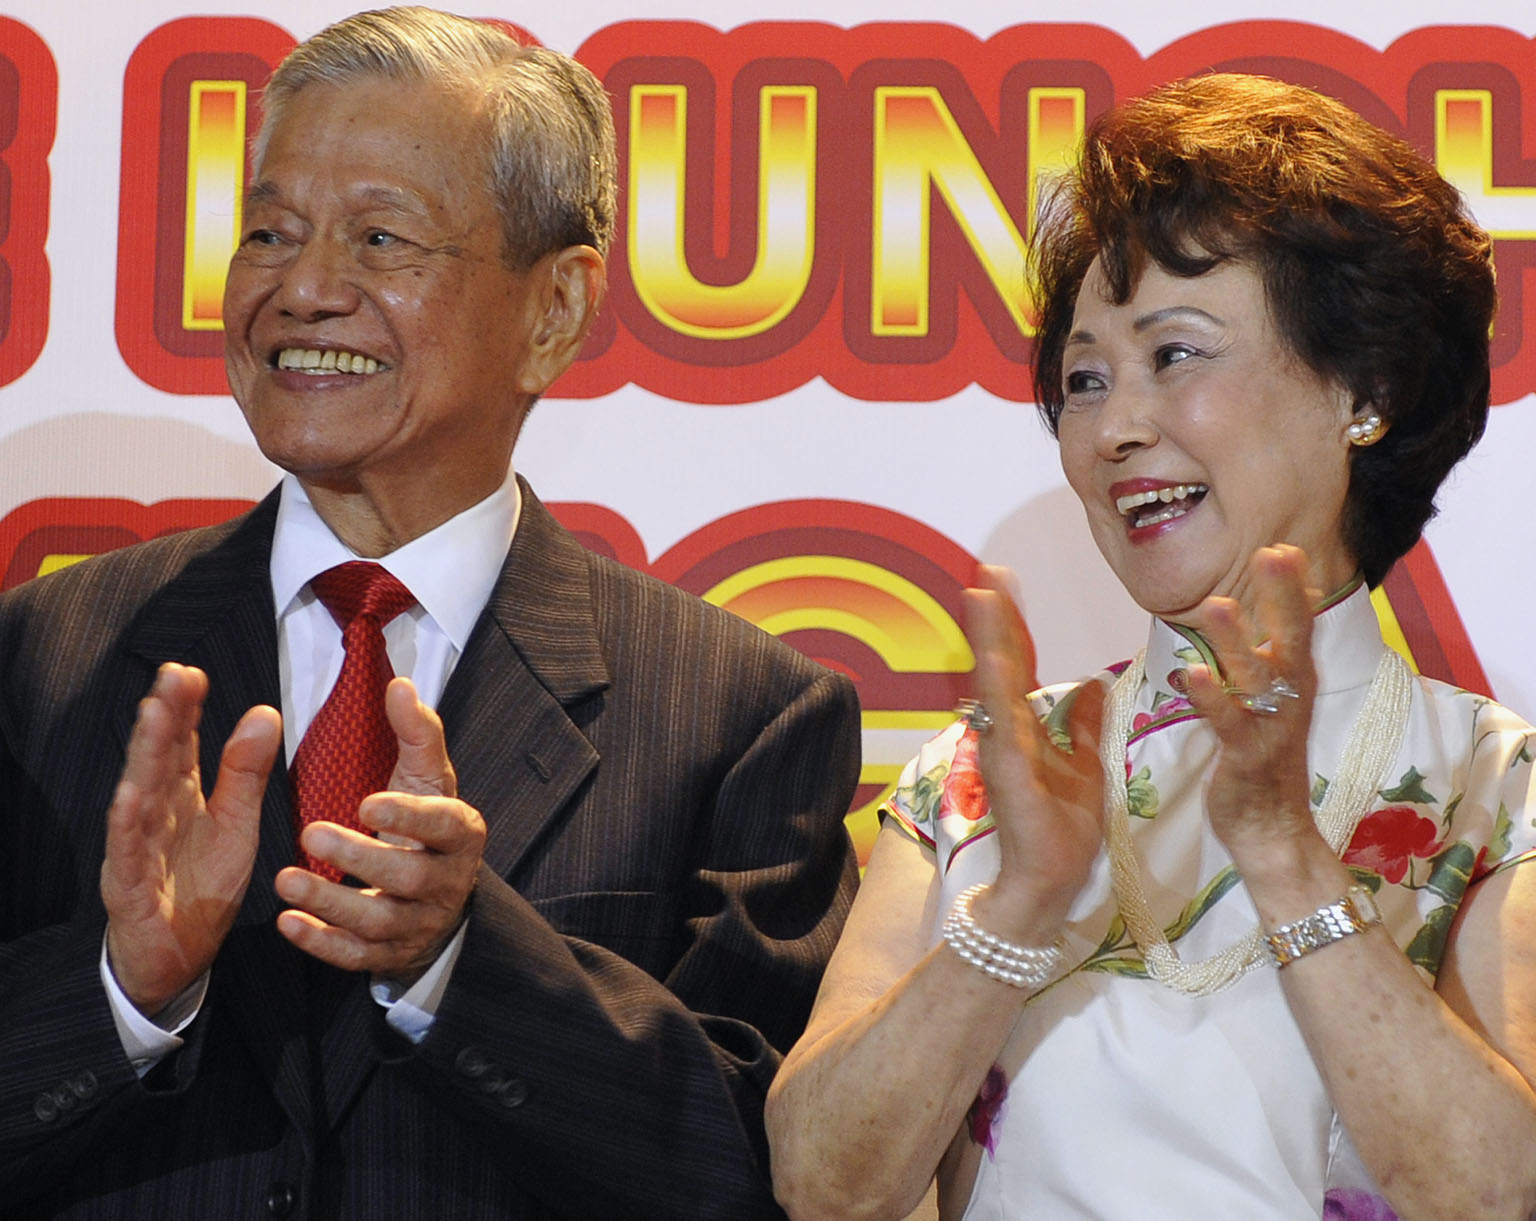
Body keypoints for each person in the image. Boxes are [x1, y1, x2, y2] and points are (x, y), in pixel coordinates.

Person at [0, 8, 859, 1218]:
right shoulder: (43, 657)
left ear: (554, 308)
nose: (302, 290)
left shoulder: (744, 712)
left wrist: (468, 961)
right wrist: (119, 994)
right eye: (269, 232)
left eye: (380, 237)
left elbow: (769, 1170)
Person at [766, 73, 1536, 1219]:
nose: (1117, 428)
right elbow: (824, 1185)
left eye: (1176, 355)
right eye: (1085, 380)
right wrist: (1021, 904)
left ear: (1361, 388)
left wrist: (1283, 856)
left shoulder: (1493, 785)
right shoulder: (984, 776)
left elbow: (1489, 1192)